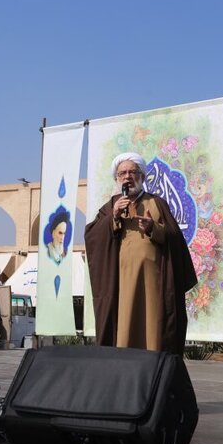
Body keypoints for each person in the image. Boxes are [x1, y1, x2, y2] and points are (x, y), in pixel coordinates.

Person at [85, 152, 197, 356]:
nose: (127, 177)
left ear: (142, 176)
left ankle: (153, 371)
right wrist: (113, 217)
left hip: (152, 283)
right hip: (122, 285)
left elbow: (175, 238)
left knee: (153, 330)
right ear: (117, 178)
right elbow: (92, 236)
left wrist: (154, 228)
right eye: (122, 173)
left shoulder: (157, 203)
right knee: (125, 328)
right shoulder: (111, 206)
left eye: (133, 172)